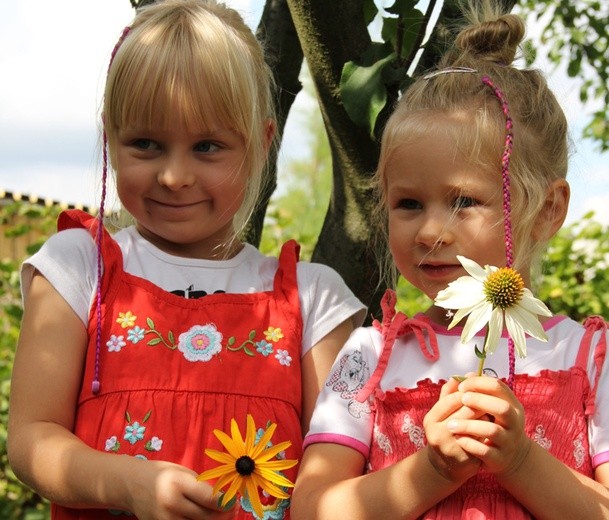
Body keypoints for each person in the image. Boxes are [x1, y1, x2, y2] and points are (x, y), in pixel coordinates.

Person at [7, 1, 366, 519]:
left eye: (207, 146)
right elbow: (32, 439)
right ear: (111, 137)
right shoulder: (80, 268)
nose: (174, 176)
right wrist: (126, 482)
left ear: (262, 144)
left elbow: (336, 465)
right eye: (146, 144)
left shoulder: (313, 299)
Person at [291, 3, 609, 519]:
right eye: (408, 204)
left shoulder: (589, 359)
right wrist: (432, 470)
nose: (430, 231)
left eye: (463, 202)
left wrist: (522, 461)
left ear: (548, 210)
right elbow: (311, 510)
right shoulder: (369, 358)